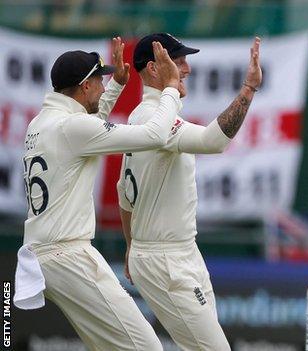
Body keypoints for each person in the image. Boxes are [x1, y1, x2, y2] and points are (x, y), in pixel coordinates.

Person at [14, 38, 183, 350]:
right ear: (84, 87)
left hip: (46, 254)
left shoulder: (41, 123)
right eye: (100, 82)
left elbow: (87, 128)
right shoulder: (72, 128)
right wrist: (171, 87)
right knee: (148, 347)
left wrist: (118, 85)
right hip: (69, 255)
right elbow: (155, 134)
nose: (104, 89)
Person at [116, 33, 261, 350]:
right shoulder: (155, 118)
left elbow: (124, 196)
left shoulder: (143, 117)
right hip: (165, 258)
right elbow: (213, 141)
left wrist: (131, 247)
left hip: (177, 251)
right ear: (154, 69)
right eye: (178, 61)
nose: (188, 69)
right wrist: (248, 89)